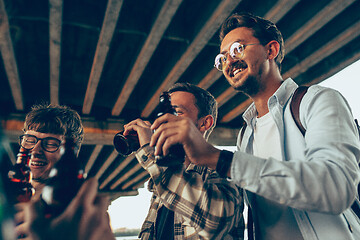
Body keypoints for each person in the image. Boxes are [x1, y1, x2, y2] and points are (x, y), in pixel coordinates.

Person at [152, 12, 360, 239]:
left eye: (237, 49)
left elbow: (336, 188)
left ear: (271, 50)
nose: (229, 61)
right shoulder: (246, 135)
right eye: (222, 58)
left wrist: (218, 158)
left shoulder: (317, 101)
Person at [123, 82, 244, 239]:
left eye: (176, 113)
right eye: (164, 113)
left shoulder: (225, 168)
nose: (166, 120)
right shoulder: (167, 179)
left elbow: (214, 222)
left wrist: (150, 152)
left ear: (204, 123)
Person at [13, 104, 115, 240]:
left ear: (70, 154)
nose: (35, 151)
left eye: (50, 143)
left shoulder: (84, 215)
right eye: (29, 140)